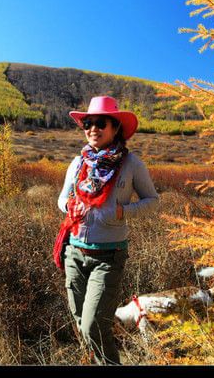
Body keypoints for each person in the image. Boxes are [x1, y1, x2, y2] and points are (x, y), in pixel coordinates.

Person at [55, 95, 159, 365]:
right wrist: (69, 206)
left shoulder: (131, 164)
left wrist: (124, 211)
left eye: (101, 123)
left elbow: (153, 201)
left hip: (108, 256)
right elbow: (61, 199)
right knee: (82, 324)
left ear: (116, 128)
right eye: (88, 123)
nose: (93, 129)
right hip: (74, 254)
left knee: (92, 325)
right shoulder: (78, 163)